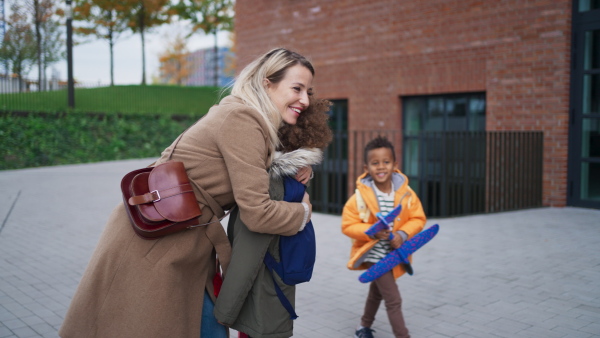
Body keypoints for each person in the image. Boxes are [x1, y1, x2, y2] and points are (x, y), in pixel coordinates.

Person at [59, 47, 318, 338]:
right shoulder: (244, 119)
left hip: (177, 236)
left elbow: (241, 170)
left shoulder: (242, 116)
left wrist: (288, 166)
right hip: (157, 243)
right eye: (297, 88)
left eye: (308, 91)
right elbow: (258, 214)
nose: (305, 100)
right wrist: (303, 212)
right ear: (266, 82)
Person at [214, 97, 332, 338]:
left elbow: (248, 252)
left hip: (264, 280)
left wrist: (223, 310)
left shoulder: (269, 181)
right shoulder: (295, 175)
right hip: (281, 276)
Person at [341, 136, 426, 338]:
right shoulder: (360, 196)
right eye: (375, 163)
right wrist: (371, 231)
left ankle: (363, 327)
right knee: (394, 299)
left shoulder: (406, 194)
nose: (381, 167)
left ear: (395, 165)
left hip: (395, 254)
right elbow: (348, 225)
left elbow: (418, 218)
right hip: (374, 255)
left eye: (386, 162)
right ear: (366, 167)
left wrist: (402, 234)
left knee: (377, 292)